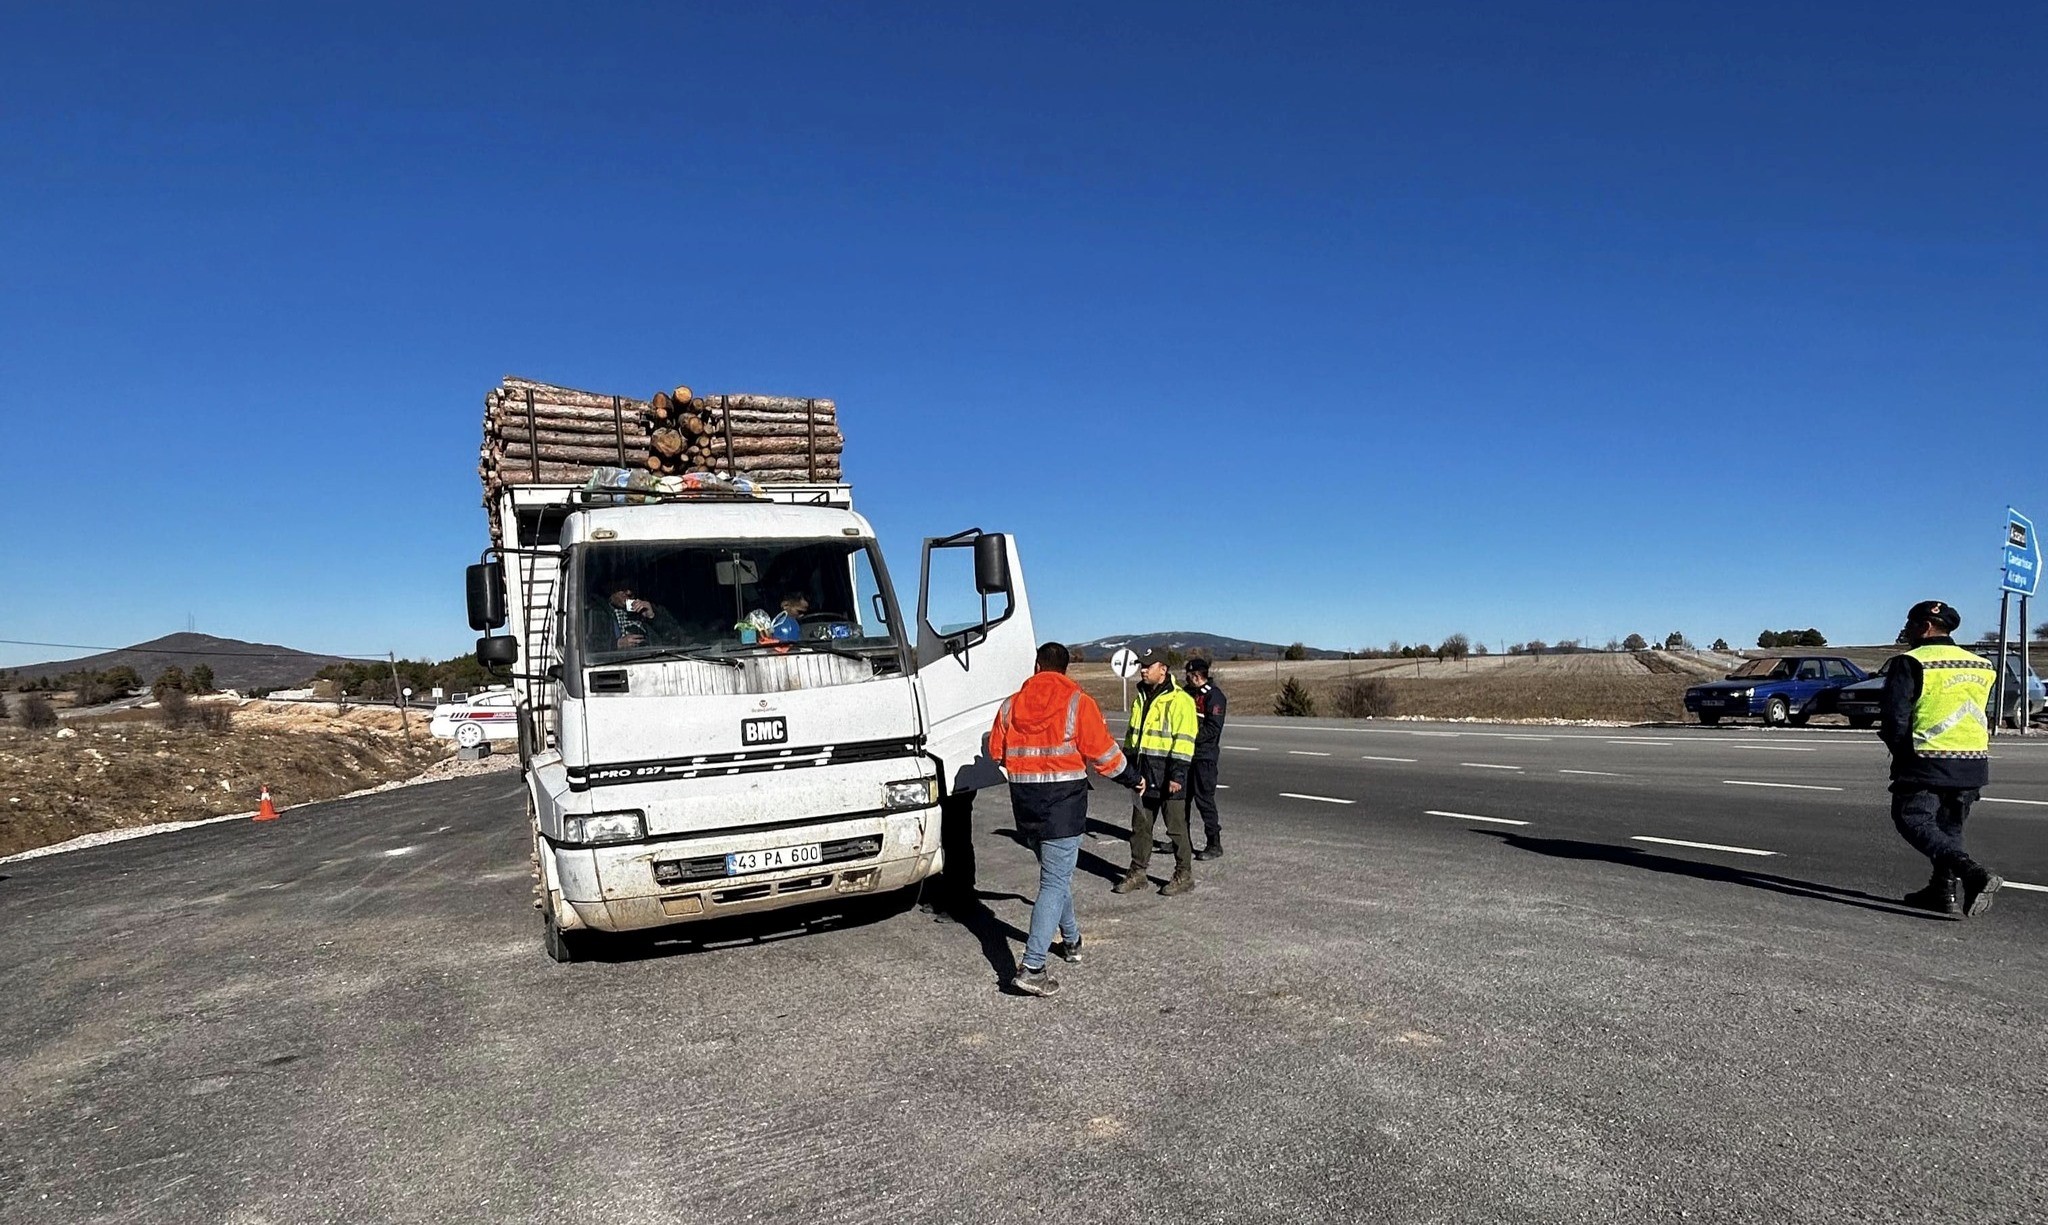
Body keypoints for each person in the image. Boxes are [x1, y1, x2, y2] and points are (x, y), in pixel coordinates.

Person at [988, 642, 1141, 996]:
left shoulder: (1011, 705)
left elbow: (996, 750)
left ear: (1038, 665)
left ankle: (1071, 941)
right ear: (1066, 669)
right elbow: (1104, 755)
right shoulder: (1077, 703)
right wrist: (1133, 778)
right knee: (1054, 882)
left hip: (1026, 806)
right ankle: (1033, 966)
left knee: (1057, 876)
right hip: (1064, 806)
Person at [1882, 599, 2004, 918]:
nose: (1906, 630)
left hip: (1927, 759)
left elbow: (1895, 720)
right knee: (1949, 829)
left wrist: (1902, 758)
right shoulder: (1981, 664)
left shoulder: (1910, 662)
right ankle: (1942, 891)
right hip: (1973, 761)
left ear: (1925, 626)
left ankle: (1973, 874)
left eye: (1910, 624)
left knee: (1912, 818)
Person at [1115, 646, 1201, 897]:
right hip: (1143, 774)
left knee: (1175, 828)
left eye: (1148, 666)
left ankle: (1184, 874)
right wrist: (1127, 769)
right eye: (1142, 665)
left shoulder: (1180, 700)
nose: (1142, 670)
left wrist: (1177, 776)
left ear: (1162, 670)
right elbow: (1133, 736)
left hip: (1168, 774)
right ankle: (1137, 872)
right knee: (1140, 826)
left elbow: (1184, 741)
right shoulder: (1141, 697)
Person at [1184, 658, 1228, 860]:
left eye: (1189, 675)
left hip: (1204, 757)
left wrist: (1189, 737)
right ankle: (1181, 840)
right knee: (1180, 800)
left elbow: (1212, 728)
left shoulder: (1214, 697)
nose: (1187, 679)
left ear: (1196, 676)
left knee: (1204, 800)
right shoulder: (1187, 694)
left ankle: (1214, 843)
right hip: (1185, 755)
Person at [586, 577, 682, 654]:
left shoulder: (649, 608)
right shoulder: (598, 613)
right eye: (622, 589)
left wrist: (653, 618)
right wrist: (617, 644)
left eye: (631, 588)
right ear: (610, 590)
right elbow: (589, 647)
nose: (628, 593)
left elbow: (677, 639)